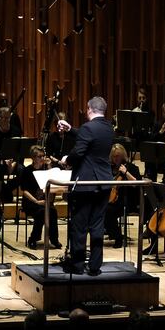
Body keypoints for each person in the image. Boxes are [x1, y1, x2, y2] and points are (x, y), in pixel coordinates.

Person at [58, 96, 114, 276]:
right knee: (97, 225)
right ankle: (95, 266)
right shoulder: (108, 128)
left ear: (89, 109)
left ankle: (78, 265)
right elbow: (92, 138)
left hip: (86, 183)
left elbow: (80, 151)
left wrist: (67, 159)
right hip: (104, 182)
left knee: (79, 225)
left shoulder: (87, 127)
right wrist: (71, 129)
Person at [20, 145, 62, 250]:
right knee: (41, 212)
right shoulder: (27, 171)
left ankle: (54, 239)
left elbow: (53, 186)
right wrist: (37, 202)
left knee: (52, 211)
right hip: (31, 202)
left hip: (45, 200)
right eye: (39, 156)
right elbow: (24, 191)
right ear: (33, 158)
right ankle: (33, 239)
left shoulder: (46, 169)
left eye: (43, 156)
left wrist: (49, 168)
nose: (42, 158)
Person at [104, 143, 141, 248]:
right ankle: (112, 233)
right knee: (101, 208)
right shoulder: (109, 168)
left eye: (118, 156)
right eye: (114, 156)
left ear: (123, 156)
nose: (116, 158)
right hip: (112, 199)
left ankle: (118, 237)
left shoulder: (132, 167)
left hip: (128, 200)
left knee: (108, 211)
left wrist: (126, 173)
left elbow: (136, 184)